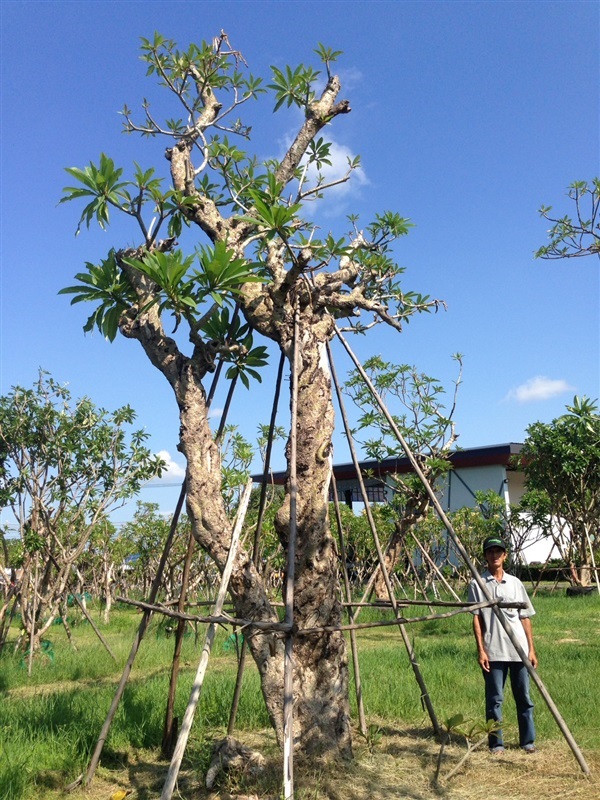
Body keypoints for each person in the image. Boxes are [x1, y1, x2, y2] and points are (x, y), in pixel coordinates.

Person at [468, 535, 538, 755]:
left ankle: (528, 741)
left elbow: (525, 617)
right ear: (485, 556)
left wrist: (531, 649)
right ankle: (496, 743)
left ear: (505, 555)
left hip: (518, 651)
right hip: (494, 650)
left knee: (524, 698)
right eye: (490, 551)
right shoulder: (478, 584)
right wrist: (481, 650)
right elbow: (477, 618)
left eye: (498, 551)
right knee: (494, 700)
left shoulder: (515, 583)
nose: (494, 555)